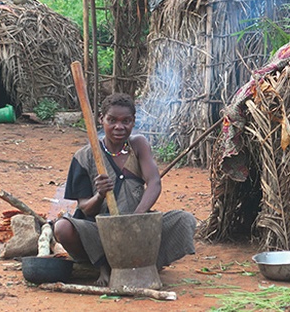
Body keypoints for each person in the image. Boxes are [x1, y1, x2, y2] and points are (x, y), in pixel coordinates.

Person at [53, 93, 197, 286]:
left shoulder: (138, 145)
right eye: (112, 120)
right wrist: (99, 195)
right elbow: (85, 208)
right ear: (101, 119)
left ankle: (146, 262)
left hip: (138, 228)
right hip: (99, 233)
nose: (119, 127)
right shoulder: (85, 156)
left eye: (126, 121)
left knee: (184, 220)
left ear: (133, 122)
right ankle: (102, 265)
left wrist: (136, 219)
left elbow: (154, 182)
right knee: (62, 228)